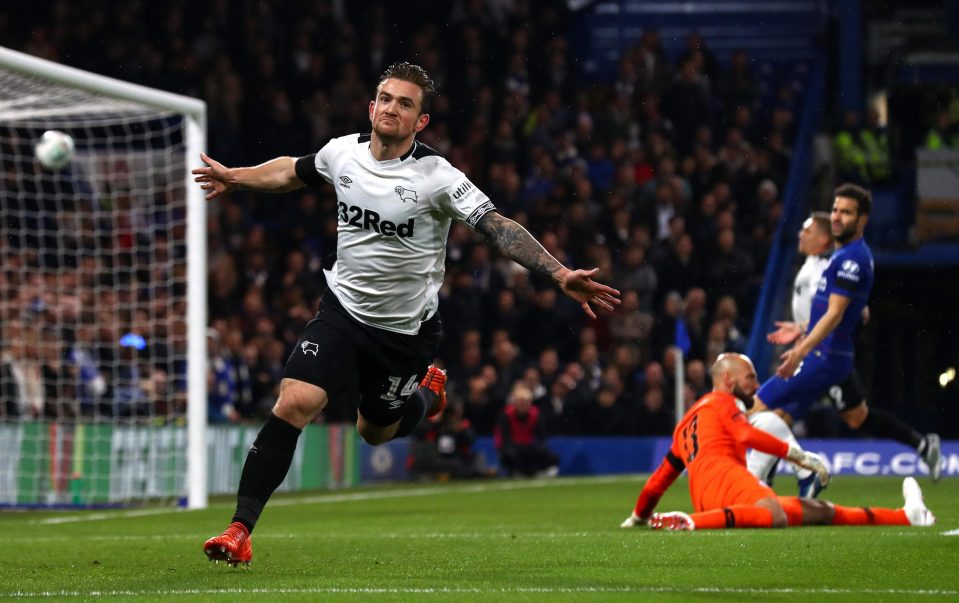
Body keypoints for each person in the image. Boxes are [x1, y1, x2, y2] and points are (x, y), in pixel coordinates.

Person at [194, 62, 620, 566]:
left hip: (403, 332)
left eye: (406, 103)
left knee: (374, 430)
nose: (392, 108)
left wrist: (556, 273)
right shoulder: (341, 153)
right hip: (342, 310)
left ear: (421, 122)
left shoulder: (437, 177)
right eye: (386, 98)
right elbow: (292, 169)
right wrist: (236, 178)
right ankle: (240, 530)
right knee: (294, 402)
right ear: (371, 106)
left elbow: (496, 225)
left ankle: (426, 396)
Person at [752, 187, 941, 487]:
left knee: (762, 410)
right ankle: (921, 445)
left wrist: (801, 348)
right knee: (856, 418)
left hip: (821, 357)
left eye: (846, 212)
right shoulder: (837, 258)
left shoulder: (850, 261)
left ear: (862, 220)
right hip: (829, 356)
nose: (837, 216)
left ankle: (786, 477)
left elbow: (843, 313)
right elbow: (838, 312)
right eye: (836, 210)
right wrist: (801, 327)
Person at [620, 353, 936, 531]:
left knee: (819, 510)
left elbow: (657, 482)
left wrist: (637, 516)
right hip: (728, 482)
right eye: (750, 378)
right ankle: (690, 523)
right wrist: (798, 457)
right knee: (775, 513)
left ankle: (907, 516)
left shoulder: (686, 423)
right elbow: (745, 434)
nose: (756, 385)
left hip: (709, 497)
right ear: (729, 380)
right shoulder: (721, 402)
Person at [494, 383, 560, 477]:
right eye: (519, 401)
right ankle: (518, 471)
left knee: (549, 455)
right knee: (510, 454)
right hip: (513, 447)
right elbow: (505, 438)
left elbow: (541, 437)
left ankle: (535, 470)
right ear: (515, 403)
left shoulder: (536, 415)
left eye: (525, 402)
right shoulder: (506, 415)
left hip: (529, 446)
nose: (522, 405)